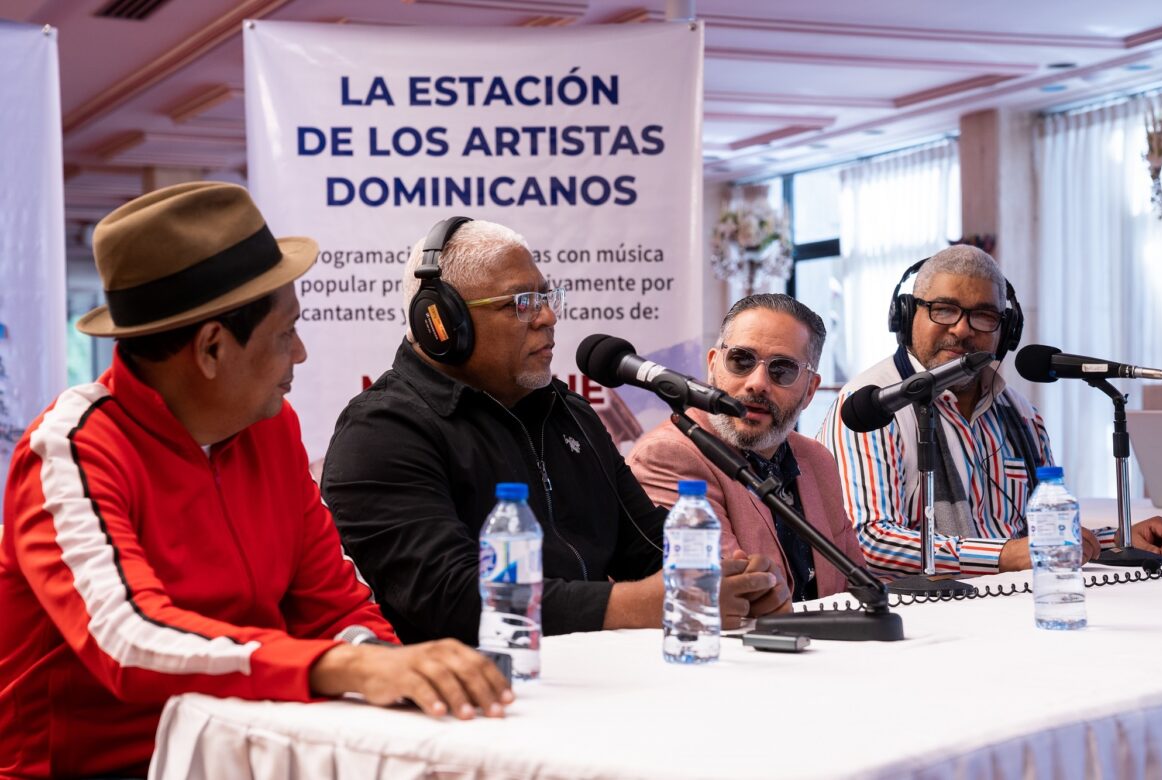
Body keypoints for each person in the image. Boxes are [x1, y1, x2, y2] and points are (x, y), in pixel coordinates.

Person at [0, 184, 510, 779]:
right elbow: (128, 638)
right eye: (284, 332)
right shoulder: (70, 448)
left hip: (243, 758)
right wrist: (343, 669)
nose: (301, 353)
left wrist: (389, 667)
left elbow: (331, 605)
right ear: (212, 348)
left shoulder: (270, 426)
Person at [321, 217, 789, 646]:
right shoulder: (382, 431)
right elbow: (449, 599)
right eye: (522, 303)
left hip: (593, 680)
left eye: (547, 298)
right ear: (442, 324)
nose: (548, 317)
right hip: (469, 701)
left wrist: (728, 583)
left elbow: (648, 547)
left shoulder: (569, 415)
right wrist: (638, 605)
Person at [817, 245, 1162, 576]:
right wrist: (1003, 556)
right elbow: (866, 541)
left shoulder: (1023, 415)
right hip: (915, 620)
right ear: (907, 316)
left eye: (983, 316)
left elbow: (1037, 535)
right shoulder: (870, 406)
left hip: (1012, 606)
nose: (961, 329)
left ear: (1007, 332)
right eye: (943, 309)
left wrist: (1118, 539)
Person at [628, 294, 865, 603]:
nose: (757, 383)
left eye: (782, 370)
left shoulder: (816, 459)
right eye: (741, 360)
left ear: (809, 391)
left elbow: (855, 583)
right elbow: (742, 596)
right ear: (713, 366)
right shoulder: (669, 455)